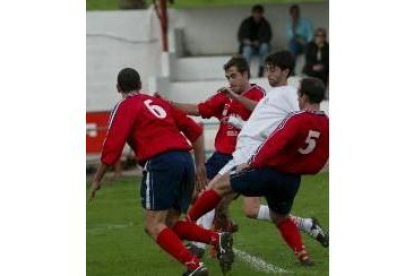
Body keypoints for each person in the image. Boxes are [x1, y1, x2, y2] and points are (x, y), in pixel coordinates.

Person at [88, 68, 234, 276]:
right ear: (140, 85)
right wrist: (200, 164)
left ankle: (194, 266)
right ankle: (216, 239)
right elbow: (195, 130)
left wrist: (97, 179)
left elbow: (112, 146)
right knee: (171, 222)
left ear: (118, 88)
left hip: (162, 161)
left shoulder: (123, 106)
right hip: (184, 160)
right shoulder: (157, 102)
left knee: (153, 225)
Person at [186, 77, 329, 266]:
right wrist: (302, 168)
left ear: (304, 96)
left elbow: (274, 143)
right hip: (292, 181)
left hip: (270, 172)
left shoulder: (297, 118)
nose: (297, 97)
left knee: (220, 186)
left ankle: (188, 222)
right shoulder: (327, 123)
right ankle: (303, 256)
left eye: (299, 93)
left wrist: (252, 162)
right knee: (280, 217)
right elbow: (321, 159)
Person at [237, 5, 272, 77]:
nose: (257, 15)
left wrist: (259, 42)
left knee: (265, 47)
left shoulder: (265, 23)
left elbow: (268, 37)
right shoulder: (246, 22)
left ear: (262, 14)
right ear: (252, 13)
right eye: (255, 13)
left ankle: (261, 69)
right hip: (249, 46)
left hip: (260, 47)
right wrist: (246, 41)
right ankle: (246, 71)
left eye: (259, 13)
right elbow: (240, 36)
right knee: (247, 49)